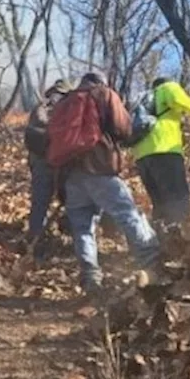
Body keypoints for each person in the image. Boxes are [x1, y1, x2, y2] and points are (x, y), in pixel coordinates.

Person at [48, 70, 160, 295]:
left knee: (83, 229)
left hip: (69, 176)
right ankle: (152, 263)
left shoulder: (64, 103)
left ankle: (91, 279)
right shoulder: (104, 94)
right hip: (99, 169)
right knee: (128, 214)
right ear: (100, 82)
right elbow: (124, 128)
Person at [132, 76, 190, 225]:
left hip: (141, 157)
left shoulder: (141, 100)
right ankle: (179, 238)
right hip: (164, 150)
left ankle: (160, 238)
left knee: (159, 202)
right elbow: (180, 100)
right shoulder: (167, 88)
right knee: (176, 198)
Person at [23, 78, 72, 256]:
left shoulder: (40, 107)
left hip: (40, 162)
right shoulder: (67, 107)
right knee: (71, 201)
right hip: (59, 162)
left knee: (40, 203)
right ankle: (64, 241)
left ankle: (36, 241)